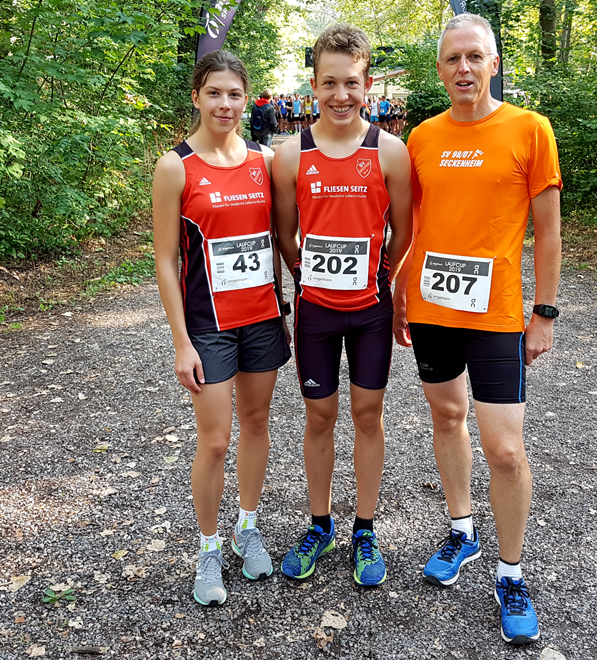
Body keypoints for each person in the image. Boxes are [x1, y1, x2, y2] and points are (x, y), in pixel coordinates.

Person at [393, 12, 562, 645]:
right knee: (445, 419)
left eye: (474, 57)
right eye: (451, 59)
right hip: (433, 309)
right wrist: (401, 293)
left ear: (493, 62)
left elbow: (548, 230)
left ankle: (511, 572)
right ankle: (462, 530)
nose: (463, 68)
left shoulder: (529, 128)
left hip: (496, 315)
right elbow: (412, 227)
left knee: (507, 450)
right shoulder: (421, 137)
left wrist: (543, 312)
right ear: (439, 70)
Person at [273, 23, 412, 586]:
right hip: (317, 314)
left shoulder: (391, 152)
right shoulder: (289, 154)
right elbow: (285, 234)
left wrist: (384, 278)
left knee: (367, 415)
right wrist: (305, 275)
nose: (339, 95)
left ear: (367, 83)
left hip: (372, 311)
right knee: (319, 415)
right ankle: (320, 523)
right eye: (328, 83)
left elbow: (404, 231)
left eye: (350, 83)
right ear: (313, 84)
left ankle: (365, 527)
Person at [152, 50, 291, 606]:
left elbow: (280, 239)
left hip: (261, 318)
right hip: (207, 326)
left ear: (246, 98)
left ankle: (247, 526)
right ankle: (208, 547)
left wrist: (295, 304)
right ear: (197, 97)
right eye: (215, 93)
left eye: (235, 94)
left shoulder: (266, 160)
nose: (226, 104)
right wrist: (181, 342)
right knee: (214, 441)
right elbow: (165, 259)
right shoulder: (176, 166)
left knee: (256, 424)